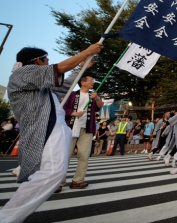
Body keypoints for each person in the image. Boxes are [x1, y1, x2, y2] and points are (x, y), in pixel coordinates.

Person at [0, 43, 102, 222]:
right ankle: (7, 218)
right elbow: (58, 69)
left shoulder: (39, 83)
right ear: (37, 61)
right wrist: (86, 52)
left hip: (56, 127)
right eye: (46, 60)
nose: (49, 63)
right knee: (53, 172)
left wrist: (81, 67)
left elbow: (65, 87)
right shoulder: (24, 72)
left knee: (50, 172)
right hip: (46, 127)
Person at [58, 74, 104, 192]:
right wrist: (73, 113)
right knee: (65, 155)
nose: (93, 82)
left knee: (84, 155)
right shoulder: (72, 95)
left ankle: (78, 180)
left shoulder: (93, 95)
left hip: (87, 128)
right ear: (83, 82)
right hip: (70, 127)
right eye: (91, 80)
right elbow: (62, 107)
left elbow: (100, 106)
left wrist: (97, 99)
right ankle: (58, 182)